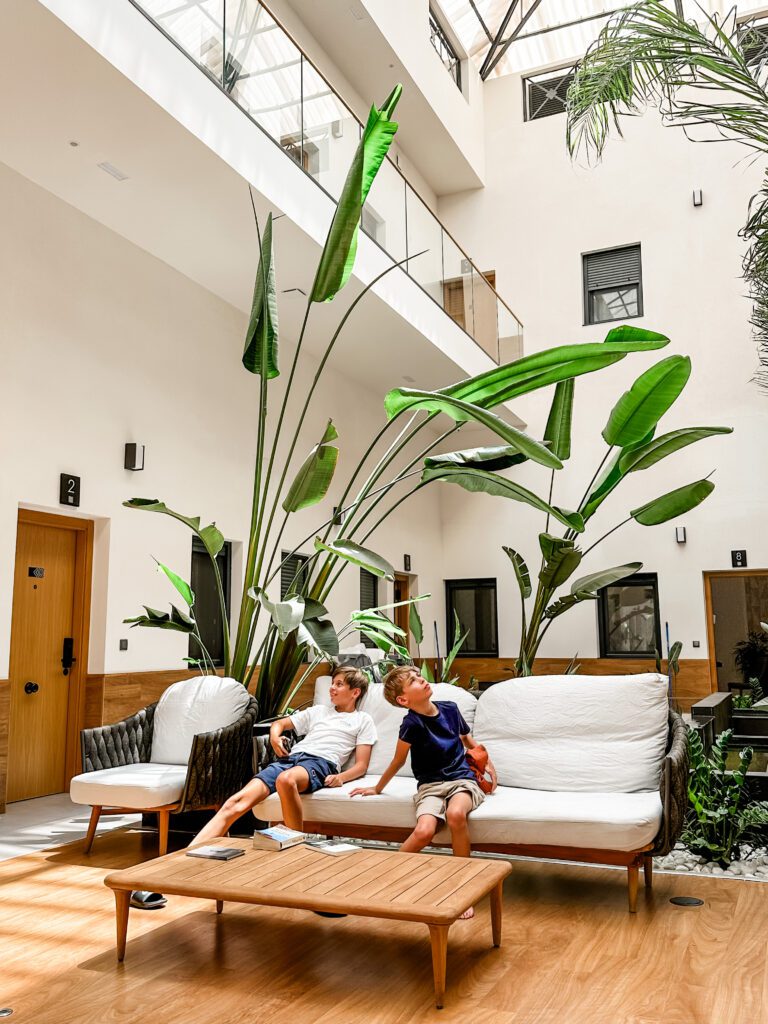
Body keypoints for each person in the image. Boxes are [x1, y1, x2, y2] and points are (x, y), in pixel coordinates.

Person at [349, 665, 496, 919]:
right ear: (403, 699)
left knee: (456, 815)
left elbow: (468, 742)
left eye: (419, 677)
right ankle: (383, 877)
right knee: (424, 830)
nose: (422, 680)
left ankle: (463, 889)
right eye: (414, 681)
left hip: (462, 780)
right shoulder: (411, 724)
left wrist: (490, 768)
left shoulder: (450, 708)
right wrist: (376, 788)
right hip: (430, 786)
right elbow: (397, 761)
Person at [190, 666, 376, 846]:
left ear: (355, 692)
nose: (332, 688)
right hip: (290, 759)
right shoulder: (318, 711)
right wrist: (274, 738)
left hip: (320, 762)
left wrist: (340, 778)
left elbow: (361, 765)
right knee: (234, 802)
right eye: (333, 683)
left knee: (286, 780)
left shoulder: (362, 720)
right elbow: (279, 724)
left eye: (339, 684)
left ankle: (296, 849)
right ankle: (184, 857)